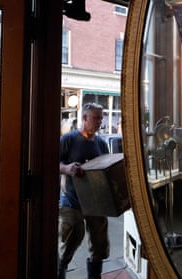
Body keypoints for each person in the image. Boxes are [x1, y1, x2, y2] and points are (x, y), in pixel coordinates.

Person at [58, 103, 110, 279]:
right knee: (73, 235)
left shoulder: (102, 145)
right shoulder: (68, 140)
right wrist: (67, 169)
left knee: (99, 243)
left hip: (96, 202)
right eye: (96, 118)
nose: (99, 121)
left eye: (101, 118)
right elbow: (52, 163)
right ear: (85, 118)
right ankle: (60, 269)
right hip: (71, 199)